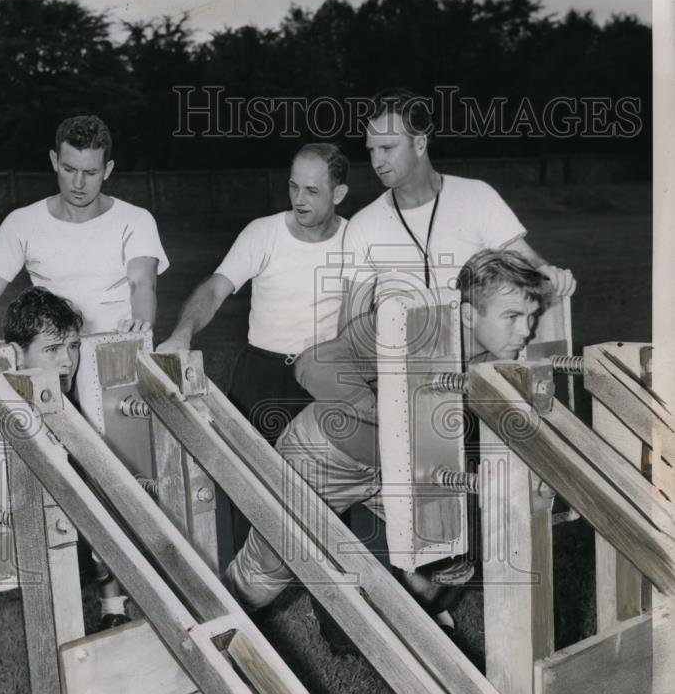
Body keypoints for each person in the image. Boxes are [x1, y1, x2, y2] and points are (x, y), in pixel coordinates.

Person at [224, 250, 553, 648]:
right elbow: (312, 364)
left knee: (446, 556)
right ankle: (211, 631)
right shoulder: (409, 328)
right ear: (468, 315)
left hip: (403, 467)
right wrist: (391, 414)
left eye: (531, 318)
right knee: (267, 570)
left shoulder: (496, 355)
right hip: (325, 455)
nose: (526, 332)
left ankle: (423, 639)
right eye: (513, 317)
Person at [155, 143, 350, 446]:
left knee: (318, 487)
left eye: (312, 191)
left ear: (338, 194)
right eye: (293, 186)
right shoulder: (263, 233)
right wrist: (183, 334)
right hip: (261, 376)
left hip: (325, 377)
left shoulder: (357, 240)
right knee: (245, 480)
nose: (299, 200)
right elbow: (214, 289)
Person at [340, 88, 575, 331]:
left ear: (420, 144)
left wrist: (545, 270)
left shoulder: (476, 196)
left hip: (474, 348)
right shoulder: (363, 224)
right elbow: (351, 322)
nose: (377, 161)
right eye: (371, 150)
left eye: (387, 148)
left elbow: (523, 258)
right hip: (400, 354)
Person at [0, 114, 169, 345]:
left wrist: (139, 332)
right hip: (53, 356)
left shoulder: (136, 220)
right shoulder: (21, 223)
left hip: (118, 351)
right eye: (69, 169)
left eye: (90, 173)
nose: (78, 184)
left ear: (107, 170)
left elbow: (142, 284)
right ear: (54, 160)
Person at [2, 286, 128, 628]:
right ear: (17, 353)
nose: (67, 361)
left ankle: (113, 608)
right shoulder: (7, 412)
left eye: (73, 346)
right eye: (52, 349)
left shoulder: (75, 401)